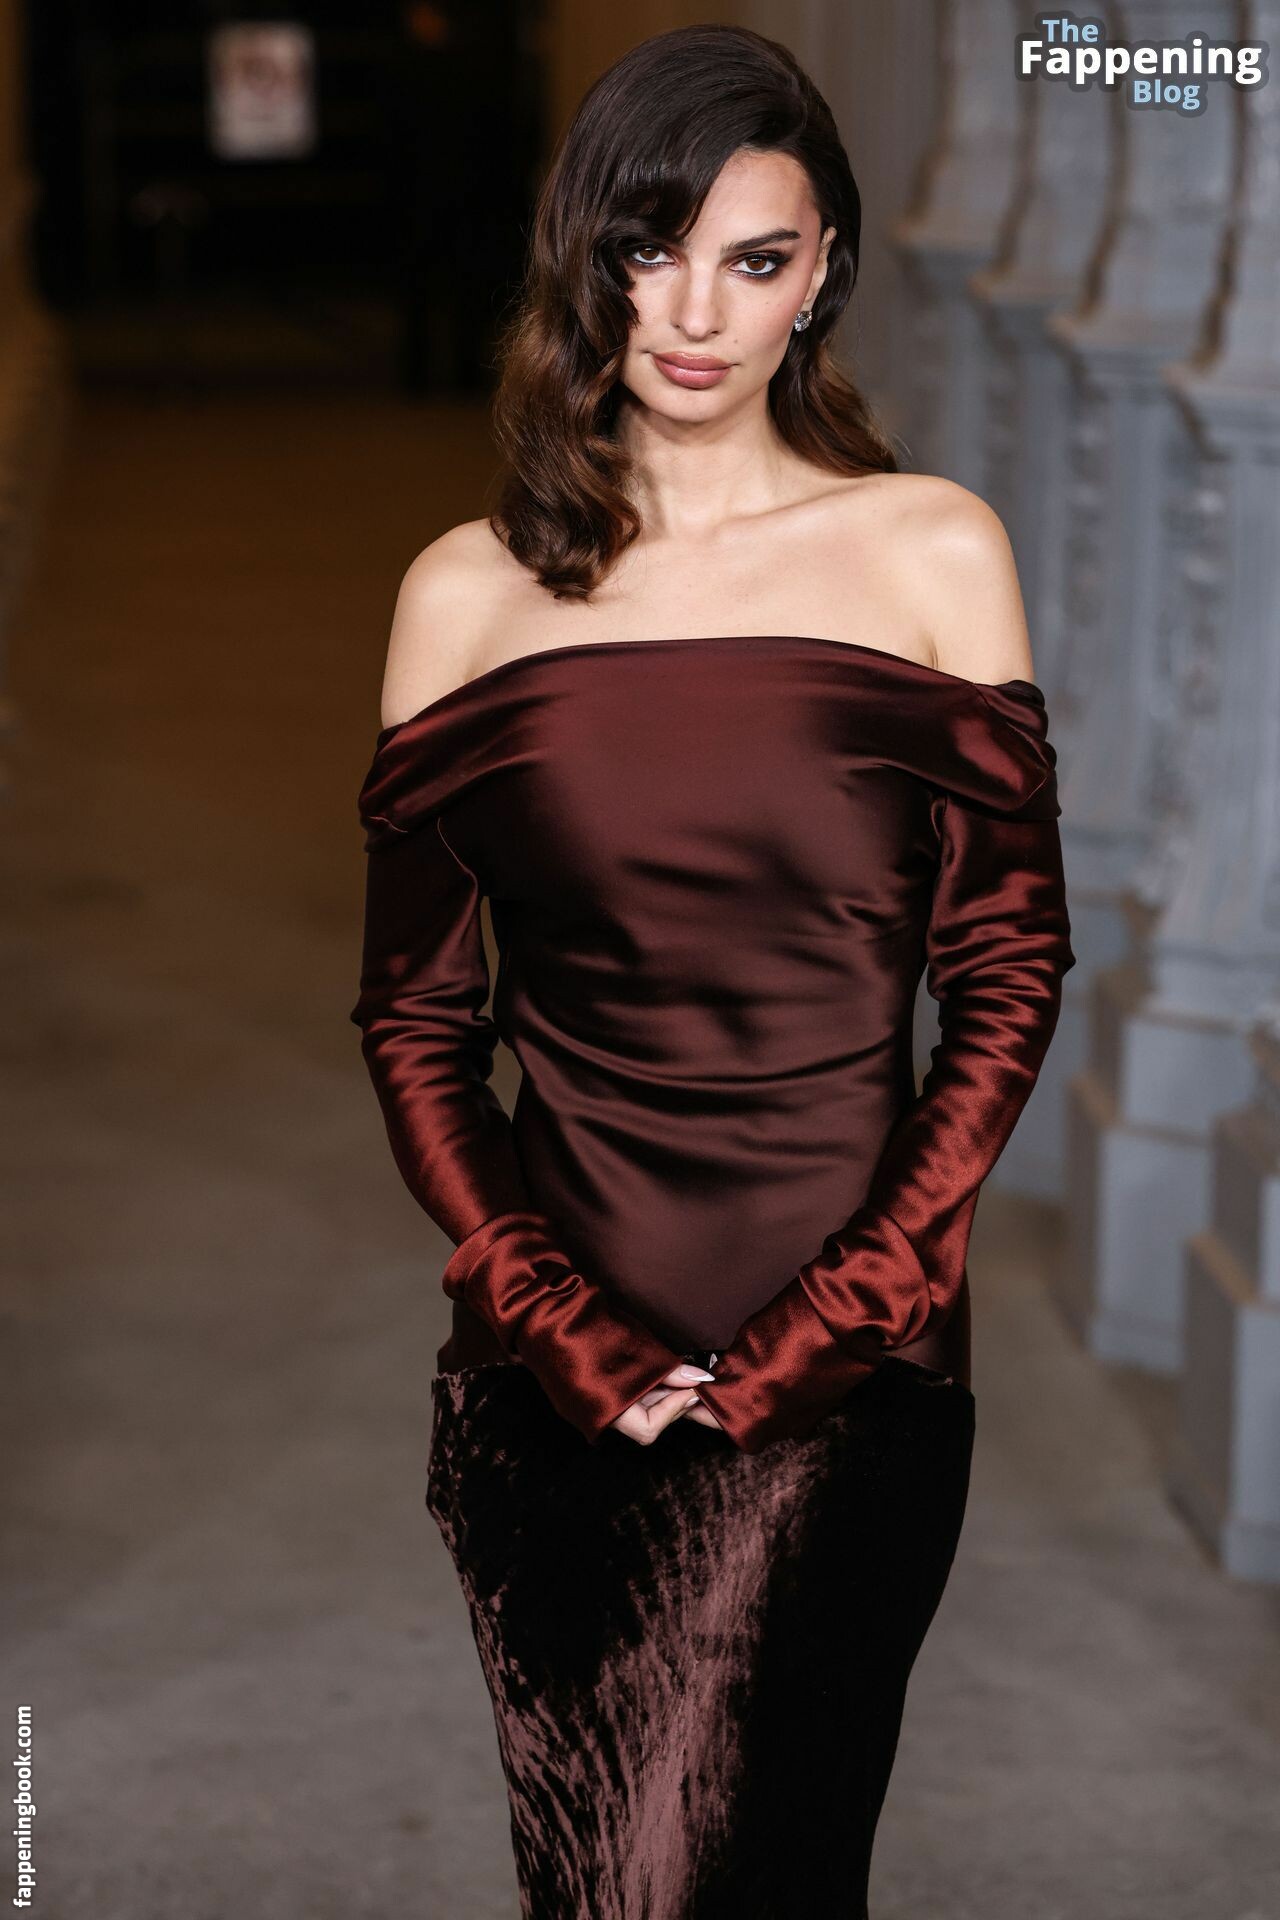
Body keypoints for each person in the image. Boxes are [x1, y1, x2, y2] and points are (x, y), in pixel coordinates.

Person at [348, 23, 1076, 1919]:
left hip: (850, 1372)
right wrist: (554, 1323)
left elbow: (1008, 974)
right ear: (580, 255)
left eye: (753, 261)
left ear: (821, 272)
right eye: (647, 251)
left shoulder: (930, 553)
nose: (692, 314)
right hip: (552, 1382)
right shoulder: (464, 593)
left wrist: (840, 1318)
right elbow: (417, 1014)